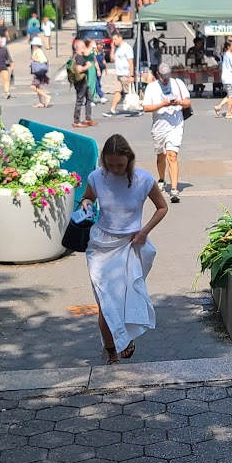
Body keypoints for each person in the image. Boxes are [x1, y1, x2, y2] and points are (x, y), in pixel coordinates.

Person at [81, 135, 168, 364]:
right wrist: (86, 206)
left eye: (120, 165)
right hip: (100, 245)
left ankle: (124, 337)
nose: (115, 169)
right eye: (110, 165)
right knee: (105, 300)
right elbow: (87, 198)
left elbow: (162, 207)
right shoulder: (97, 177)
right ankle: (112, 349)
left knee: (123, 297)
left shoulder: (144, 180)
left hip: (130, 244)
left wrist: (145, 231)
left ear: (129, 160)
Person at [141, 62, 190, 203]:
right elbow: (146, 108)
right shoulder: (152, 87)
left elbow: (188, 103)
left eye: (167, 76)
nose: (166, 79)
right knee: (161, 156)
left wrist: (178, 102)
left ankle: (174, 190)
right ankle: (162, 178)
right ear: (158, 75)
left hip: (176, 125)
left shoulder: (177, 83)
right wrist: (163, 104)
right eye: (163, 77)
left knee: (172, 155)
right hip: (159, 127)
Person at [65, 42, 96, 127]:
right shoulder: (79, 58)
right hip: (80, 82)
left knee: (89, 98)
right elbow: (79, 70)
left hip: (82, 81)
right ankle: (76, 121)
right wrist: (87, 66)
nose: (85, 48)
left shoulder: (76, 56)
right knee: (80, 100)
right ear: (78, 48)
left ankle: (88, 119)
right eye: (83, 46)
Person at [107, 35, 136, 116]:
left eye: (115, 39)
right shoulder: (118, 49)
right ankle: (113, 109)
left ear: (120, 38)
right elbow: (112, 59)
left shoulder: (127, 48)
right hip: (119, 74)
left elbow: (131, 62)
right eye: (113, 39)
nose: (114, 41)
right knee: (117, 91)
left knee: (129, 93)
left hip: (126, 74)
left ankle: (137, 108)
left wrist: (131, 75)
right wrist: (112, 48)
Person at [213, 40, 232, 118]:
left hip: (226, 77)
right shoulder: (230, 56)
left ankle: (219, 106)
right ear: (228, 46)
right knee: (231, 96)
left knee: (229, 95)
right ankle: (228, 113)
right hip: (230, 77)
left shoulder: (226, 55)